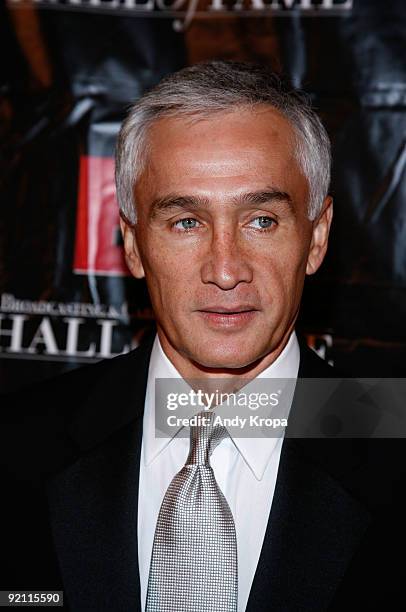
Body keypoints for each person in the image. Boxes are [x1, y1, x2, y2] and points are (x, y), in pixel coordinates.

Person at [0, 61, 405, 612]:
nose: (225, 268)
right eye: (186, 221)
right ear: (134, 244)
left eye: (261, 220)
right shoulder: (19, 445)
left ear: (317, 237)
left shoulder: (390, 439)